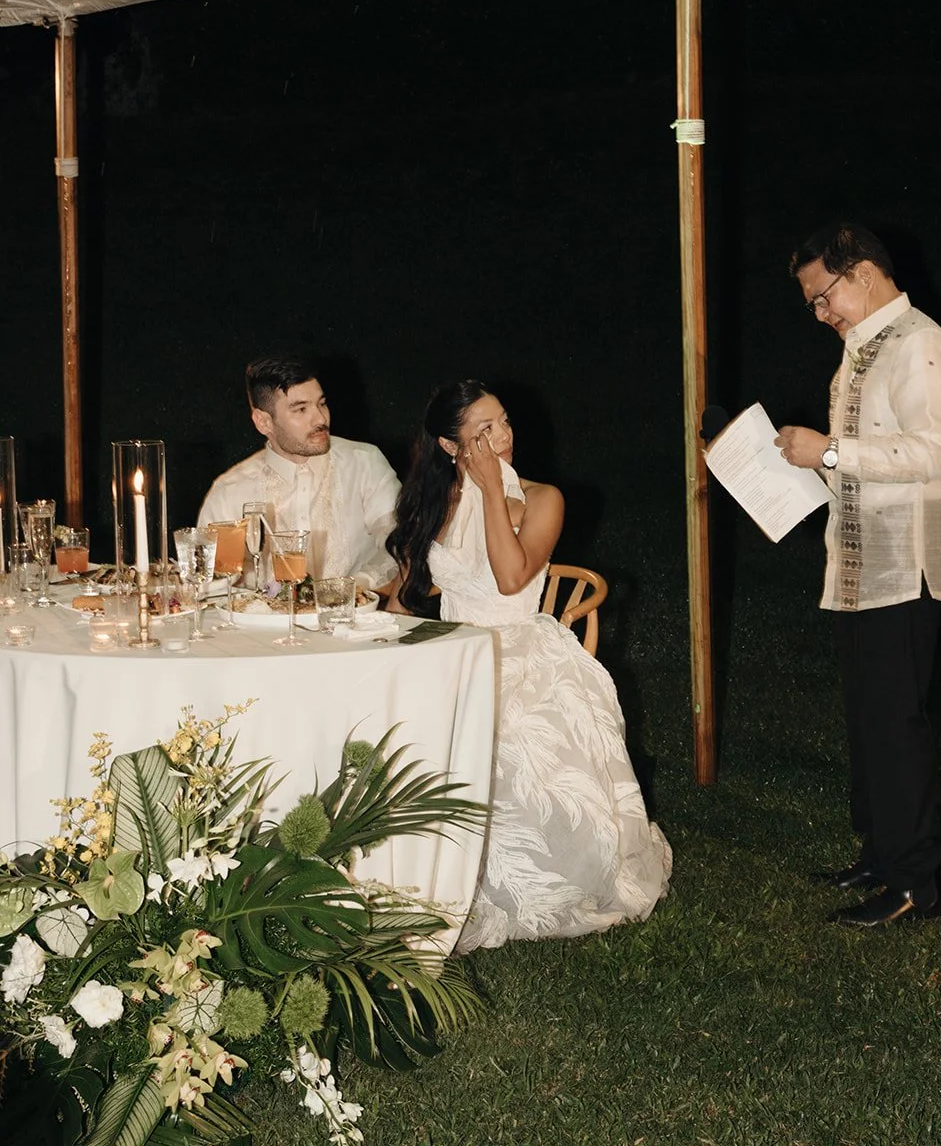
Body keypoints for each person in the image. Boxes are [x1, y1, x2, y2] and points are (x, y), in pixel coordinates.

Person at [388, 380, 671, 953]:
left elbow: (511, 577)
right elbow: (408, 590)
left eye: (504, 423)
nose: (503, 437)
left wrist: (492, 489)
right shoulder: (435, 502)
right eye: (483, 431)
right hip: (452, 649)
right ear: (450, 447)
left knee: (508, 730)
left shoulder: (544, 499)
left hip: (518, 648)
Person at [775, 223, 941, 928]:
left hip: (905, 568)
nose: (822, 314)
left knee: (896, 726)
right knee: (867, 723)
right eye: (813, 305)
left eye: (823, 297)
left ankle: (917, 883)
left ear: (860, 273)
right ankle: (882, 854)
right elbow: (856, 461)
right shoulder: (864, 350)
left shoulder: (919, 346)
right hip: (860, 563)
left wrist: (827, 452)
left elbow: (928, 455)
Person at [198, 355, 400, 587]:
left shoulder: (363, 463)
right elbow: (210, 581)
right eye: (301, 409)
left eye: (321, 404)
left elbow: (398, 542)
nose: (320, 419)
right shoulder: (230, 490)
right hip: (262, 623)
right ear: (263, 422)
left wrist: (355, 588)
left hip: (354, 618)